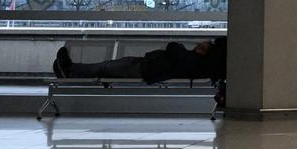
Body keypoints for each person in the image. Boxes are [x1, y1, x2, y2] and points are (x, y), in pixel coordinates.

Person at [53, 37, 226, 86]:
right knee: (106, 67)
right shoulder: (195, 60)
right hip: (144, 64)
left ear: (206, 51)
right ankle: (71, 68)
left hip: (144, 68)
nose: (202, 42)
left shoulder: (193, 61)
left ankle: (69, 70)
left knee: (105, 68)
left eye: (206, 43)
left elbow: (172, 46)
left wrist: (179, 47)